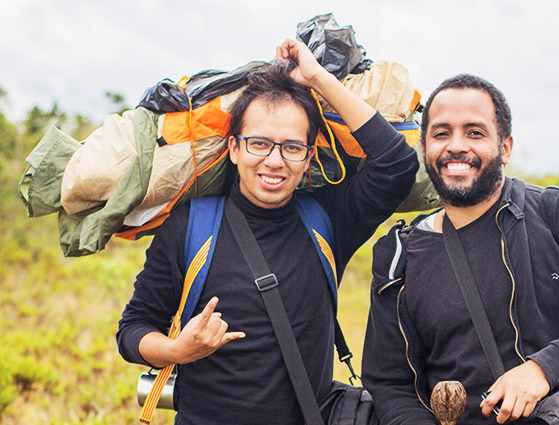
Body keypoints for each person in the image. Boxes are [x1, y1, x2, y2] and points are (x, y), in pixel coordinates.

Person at [116, 39, 419, 424]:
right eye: (258, 144)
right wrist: (177, 351)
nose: (274, 161)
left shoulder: (327, 220)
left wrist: (318, 79)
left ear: (308, 157)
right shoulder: (191, 225)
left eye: (292, 147)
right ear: (234, 148)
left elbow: (396, 163)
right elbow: (133, 330)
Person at [361, 74, 559, 424]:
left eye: (474, 133)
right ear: (424, 147)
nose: (456, 146)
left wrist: (545, 368)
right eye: (441, 134)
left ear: (505, 147)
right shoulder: (399, 257)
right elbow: (390, 383)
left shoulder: (557, 214)